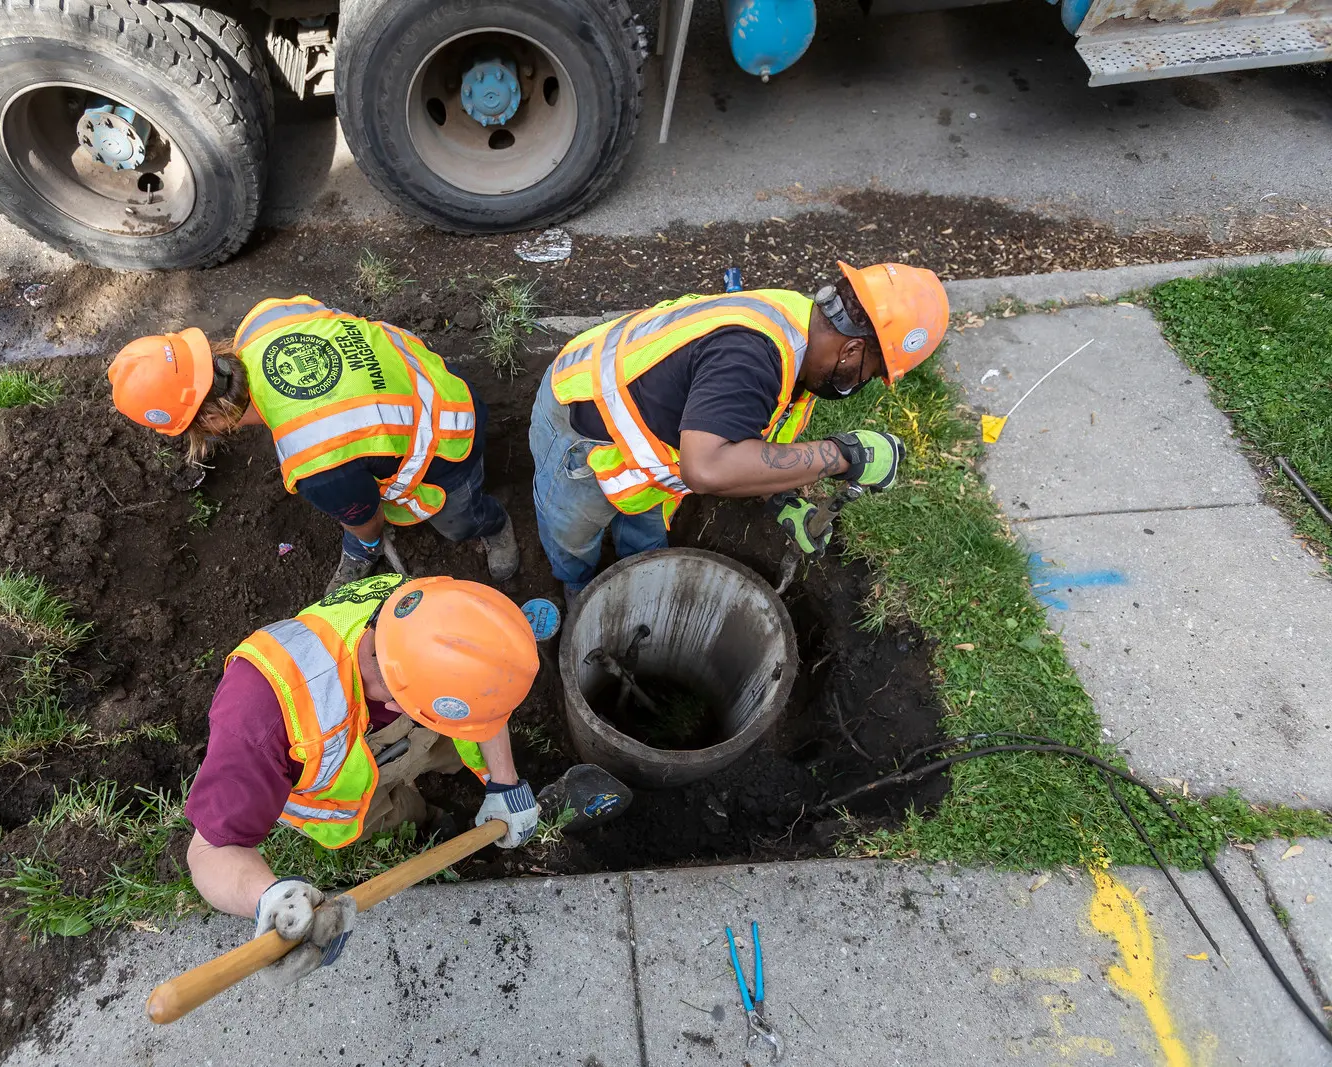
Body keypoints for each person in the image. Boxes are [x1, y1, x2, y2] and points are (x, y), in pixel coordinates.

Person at [183, 572, 541, 981]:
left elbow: (484, 695)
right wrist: (272, 900)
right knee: (393, 813)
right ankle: (418, 816)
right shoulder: (262, 713)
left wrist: (505, 783)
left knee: (443, 752)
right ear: (399, 699)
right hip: (342, 789)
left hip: (407, 731)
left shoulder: (426, 609)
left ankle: (434, 767)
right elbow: (209, 852)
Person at [530, 261, 949, 598]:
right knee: (573, 536)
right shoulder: (750, 356)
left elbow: (747, 435)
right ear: (852, 349)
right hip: (582, 428)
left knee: (645, 532)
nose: (859, 384)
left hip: (650, 451)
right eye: (868, 374)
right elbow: (707, 469)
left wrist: (781, 497)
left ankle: (639, 579)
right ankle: (580, 589)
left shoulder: (801, 337)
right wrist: (842, 456)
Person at [108, 297, 519, 594]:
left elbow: (367, 516)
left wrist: (367, 540)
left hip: (450, 438)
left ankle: (496, 525)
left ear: (212, 420)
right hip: (427, 374)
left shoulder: (316, 461)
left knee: (458, 521)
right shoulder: (266, 318)